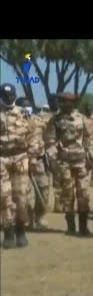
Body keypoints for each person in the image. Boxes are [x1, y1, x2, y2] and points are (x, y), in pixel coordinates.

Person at [44, 93, 93, 236]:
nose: (66, 104)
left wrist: (91, 155)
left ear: (74, 103)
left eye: (69, 102)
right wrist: (53, 159)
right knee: (68, 194)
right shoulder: (55, 120)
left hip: (81, 161)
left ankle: (83, 227)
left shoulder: (83, 119)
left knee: (83, 193)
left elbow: (89, 139)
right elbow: (49, 141)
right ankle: (71, 227)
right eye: (63, 102)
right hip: (64, 162)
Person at [0, 84, 35, 248]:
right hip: (2, 159)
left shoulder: (24, 114)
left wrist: (33, 158)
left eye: (11, 95)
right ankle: (8, 233)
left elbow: (34, 136)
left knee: (21, 197)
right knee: (4, 197)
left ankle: (21, 231)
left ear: (15, 95)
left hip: (21, 158)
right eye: (5, 95)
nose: (8, 98)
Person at [25, 98, 51, 229]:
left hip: (39, 161)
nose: (26, 109)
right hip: (21, 162)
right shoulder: (10, 122)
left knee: (44, 188)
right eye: (23, 106)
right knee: (24, 193)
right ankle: (28, 220)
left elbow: (48, 137)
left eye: (28, 106)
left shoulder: (40, 121)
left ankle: (39, 217)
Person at [41, 94, 63, 213]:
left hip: (61, 151)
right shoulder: (43, 117)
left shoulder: (62, 116)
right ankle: (45, 203)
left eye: (55, 101)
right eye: (51, 101)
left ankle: (58, 204)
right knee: (45, 178)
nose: (53, 103)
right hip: (45, 151)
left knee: (59, 178)